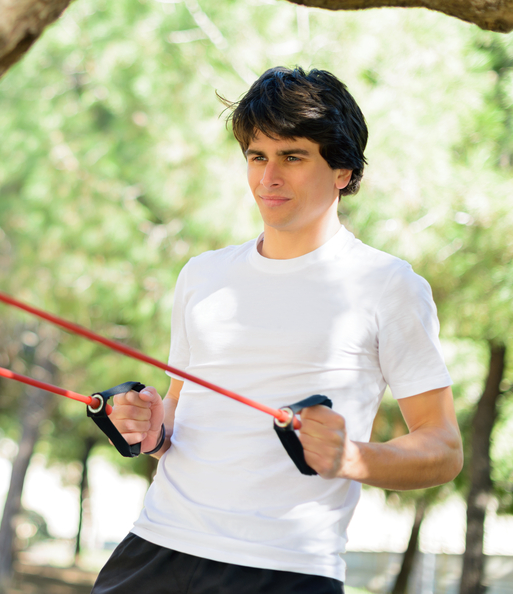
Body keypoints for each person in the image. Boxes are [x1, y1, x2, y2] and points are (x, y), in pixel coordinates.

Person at [91, 67, 463, 593]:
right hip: (158, 549)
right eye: (257, 156)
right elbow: (179, 414)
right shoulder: (202, 275)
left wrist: (354, 457)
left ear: (342, 171)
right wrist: (148, 425)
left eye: (292, 156)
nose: (269, 178)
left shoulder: (389, 285)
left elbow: (444, 448)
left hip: (287, 571)